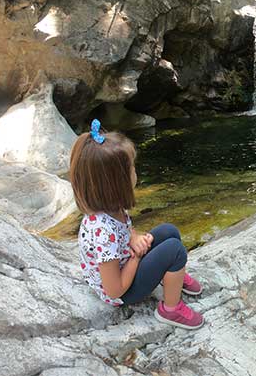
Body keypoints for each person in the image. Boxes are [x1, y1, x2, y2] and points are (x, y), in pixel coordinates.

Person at [70, 119, 204, 330]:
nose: (135, 171)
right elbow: (114, 289)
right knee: (175, 250)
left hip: (125, 264)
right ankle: (171, 309)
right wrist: (137, 257)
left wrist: (133, 237)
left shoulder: (111, 207)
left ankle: (172, 276)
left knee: (169, 231)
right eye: (131, 168)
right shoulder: (102, 232)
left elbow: (123, 230)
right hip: (124, 291)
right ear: (117, 182)